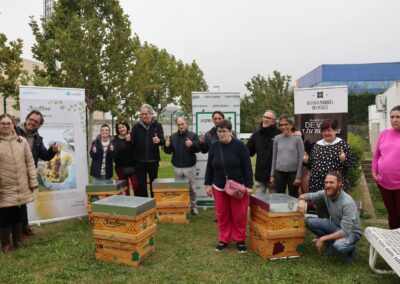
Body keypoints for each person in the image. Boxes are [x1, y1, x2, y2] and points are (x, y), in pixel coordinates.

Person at [204, 120, 253, 253]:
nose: (221, 134)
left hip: (238, 187)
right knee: (222, 214)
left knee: (239, 215)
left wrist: (249, 185)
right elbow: (210, 166)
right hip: (219, 186)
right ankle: (224, 239)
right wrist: (208, 184)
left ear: (230, 132)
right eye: (219, 131)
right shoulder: (214, 146)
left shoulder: (240, 146)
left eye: (224, 131)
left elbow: (247, 166)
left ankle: (240, 240)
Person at [297, 172, 362, 264]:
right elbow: (306, 196)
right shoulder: (325, 193)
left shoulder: (347, 203)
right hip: (336, 225)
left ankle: (350, 248)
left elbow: (345, 231)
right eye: (326, 182)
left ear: (339, 184)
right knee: (309, 222)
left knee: (339, 246)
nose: (327, 185)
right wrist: (302, 200)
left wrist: (323, 238)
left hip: (351, 232)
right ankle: (332, 242)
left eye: (331, 182)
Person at [16, 110, 58, 237]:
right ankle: (14, 230)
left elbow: (44, 156)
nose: (32, 122)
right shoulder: (14, 131)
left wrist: (52, 151)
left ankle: (24, 228)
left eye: (36, 122)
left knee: (22, 202)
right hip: (12, 172)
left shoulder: (37, 138)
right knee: (11, 202)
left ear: (39, 125)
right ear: (26, 119)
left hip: (27, 174)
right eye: (31, 119)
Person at [0, 114, 38, 254]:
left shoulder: (21, 141)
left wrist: (32, 181)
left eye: (8, 123)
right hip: (4, 186)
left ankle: (17, 240)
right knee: (4, 215)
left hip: (21, 184)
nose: (5, 125)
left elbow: (29, 162)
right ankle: (5, 244)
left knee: (17, 214)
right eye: (3, 123)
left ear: (13, 124)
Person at [303, 119, 354, 217]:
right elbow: (312, 164)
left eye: (329, 130)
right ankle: (323, 228)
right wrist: (307, 161)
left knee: (337, 211)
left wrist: (344, 159)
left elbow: (351, 163)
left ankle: (337, 229)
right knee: (321, 211)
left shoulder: (343, 145)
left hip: (335, 186)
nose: (327, 133)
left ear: (335, 131)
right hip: (318, 184)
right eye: (324, 131)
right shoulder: (317, 145)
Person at [164, 117, 201, 215]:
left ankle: (194, 207)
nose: (181, 126)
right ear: (177, 125)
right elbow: (168, 152)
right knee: (179, 188)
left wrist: (192, 145)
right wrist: (167, 145)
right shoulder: (173, 136)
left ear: (186, 124)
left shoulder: (193, 135)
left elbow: (198, 149)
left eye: (182, 124)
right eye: (179, 125)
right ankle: (181, 206)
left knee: (191, 188)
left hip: (189, 166)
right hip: (177, 166)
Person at [372, 105, 400, 229]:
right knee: (391, 213)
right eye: (392, 117)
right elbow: (376, 155)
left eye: (398, 117)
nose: (394, 119)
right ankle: (394, 240)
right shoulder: (384, 134)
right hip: (383, 182)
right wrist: (374, 171)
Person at [131, 104, 165, 197]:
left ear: (151, 113)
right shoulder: (136, 126)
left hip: (153, 160)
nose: (144, 116)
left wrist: (158, 141)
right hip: (139, 161)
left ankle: (154, 204)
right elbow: (132, 142)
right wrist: (129, 139)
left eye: (146, 114)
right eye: (142, 114)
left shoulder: (158, 125)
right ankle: (145, 205)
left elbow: (163, 141)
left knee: (154, 185)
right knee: (141, 185)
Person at [247, 110, 281, 194]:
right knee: (258, 203)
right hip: (260, 176)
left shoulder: (279, 134)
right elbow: (248, 151)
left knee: (274, 204)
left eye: (268, 118)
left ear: (273, 121)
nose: (265, 119)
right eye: (264, 117)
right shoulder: (256, 135)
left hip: (274, 176)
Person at [270, 115, 304, 197]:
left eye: (286, 124)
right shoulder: (277, 138)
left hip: (293, 174)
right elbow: (274, 158)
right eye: (281, 125)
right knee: (279, 197)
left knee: (293, 198)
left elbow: (301, 159)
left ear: (291, 125)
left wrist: (298, 176)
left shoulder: (297, 139)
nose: (283, 127)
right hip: (279, 174)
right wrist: (272, 175)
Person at [113, 121, 138, 195]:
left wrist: (130, 141)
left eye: (123, 127)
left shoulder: (132, 137)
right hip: (120, 168)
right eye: (119, 128)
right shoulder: (114, 139)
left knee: (136, 185)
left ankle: (138, 202)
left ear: (127, 127)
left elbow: (137, 149)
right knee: (125, 188)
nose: (121, 129)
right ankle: (127, 204)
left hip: (133, 167)